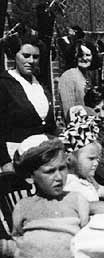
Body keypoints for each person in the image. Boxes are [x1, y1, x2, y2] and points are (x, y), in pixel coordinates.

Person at [11, 134, 90, 258]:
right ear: (31, 176)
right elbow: (18, 241)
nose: (59, 177)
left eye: (62, 168)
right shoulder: (23, 206)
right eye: (50, 171)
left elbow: (86, 239)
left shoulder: (76, 200)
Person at [0, 35, 56, 172]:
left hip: (41, 158)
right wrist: (4, 162)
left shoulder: (40, 84)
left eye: (35, 57)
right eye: (26, 55)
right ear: (15, 55)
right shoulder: (4, 83)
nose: (31, 61)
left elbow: (49, 124)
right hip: (15, 157)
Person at [58, 40, 98, 117]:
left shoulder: (88, 75)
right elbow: (69, 111)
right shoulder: (68, 76)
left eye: (88, 55)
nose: (84, 58)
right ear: (75, 56)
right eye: (80, 55)